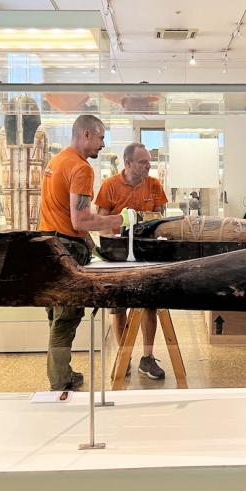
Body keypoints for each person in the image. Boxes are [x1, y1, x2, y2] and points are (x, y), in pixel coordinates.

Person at [39, 114, 127, 391]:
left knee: (56, 315)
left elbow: (65, 215)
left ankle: (61, 371)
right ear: (86, 134)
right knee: (66, 318)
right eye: (101, 137)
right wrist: (116, 220)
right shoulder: (82, 168)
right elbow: (80, 219)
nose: (103, 144)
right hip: (66, 250)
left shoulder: (56, 161)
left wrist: (89, 242)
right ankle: (60, 382)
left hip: (49, 245)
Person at [95, 143, 169, 380]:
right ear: (127, 163)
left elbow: (160, 220)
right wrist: (113, 244)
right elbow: (100, 221)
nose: (148, 166)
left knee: (149, 305)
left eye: (149, 161)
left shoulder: (154, 185)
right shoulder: (109, 186)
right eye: (143, 162)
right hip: (118, 256)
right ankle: (123, 355)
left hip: (146, 255)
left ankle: (147, 358)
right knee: (119, 306)